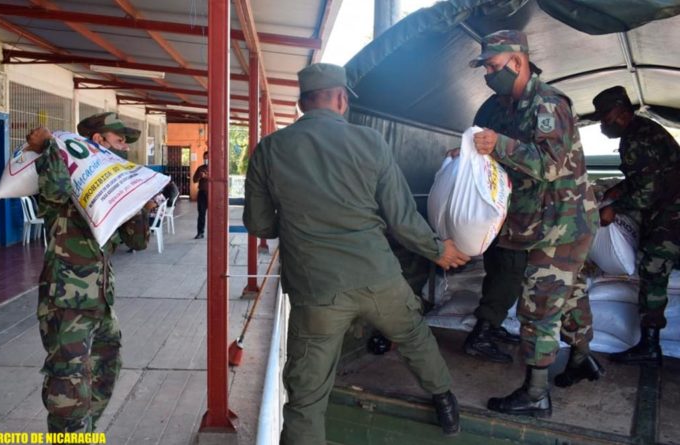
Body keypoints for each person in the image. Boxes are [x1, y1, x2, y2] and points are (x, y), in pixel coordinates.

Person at [244, 63, 470, 444]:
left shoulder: (270, 149)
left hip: (317, 290)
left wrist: (303, 221)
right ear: (341, 98)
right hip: (378, 278)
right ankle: (445, 402)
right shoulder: (370, 142)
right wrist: (438, 251)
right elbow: (400, 217)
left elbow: (260, 225)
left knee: (306, 395)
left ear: (302, 103)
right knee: (414, 336)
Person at [467, 30, 603, 417]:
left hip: (561, 221)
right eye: (485, 69)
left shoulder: (548, 104)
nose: (488, 75)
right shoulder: (500, 106)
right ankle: (581, 360)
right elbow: (493, 154)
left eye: (493, 67)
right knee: (572, 293)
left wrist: (500, 146)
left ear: (517, 61)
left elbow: (550, 164)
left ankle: (536, 393)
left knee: (539, 307)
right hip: (541, 220)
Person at [24, 112, 149, 433]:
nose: (124, 148)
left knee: (107, 367)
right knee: (67, 383)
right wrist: (50, 147)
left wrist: (138, 205)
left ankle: (83, 430)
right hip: (65, 303)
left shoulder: (109, 192)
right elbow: (55, 190)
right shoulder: (59, 178)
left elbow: (137, 242)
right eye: (119, 140)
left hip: (100, 302)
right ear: (98, 141)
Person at [592, 86, 680, 367]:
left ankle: (650, 345)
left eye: (605, 119)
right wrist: (617, 191)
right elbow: (642, 178)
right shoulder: (644, 130)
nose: (603, 125)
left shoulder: (636, 139)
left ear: (620, 113)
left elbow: (647, 191)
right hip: (670, 208)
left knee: (653, 272)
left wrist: (613, 209)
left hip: (670, 214)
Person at [192, 151, 209, 239]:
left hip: (212, 194)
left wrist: (207, 176)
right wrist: (199, 176)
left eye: (208, 158)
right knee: (201, 214)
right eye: (205, 158)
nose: (206, 159)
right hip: (202, 193)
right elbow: (194, 180)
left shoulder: (216, 168)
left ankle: (216, 233)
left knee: (215, 215)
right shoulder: (200, 168)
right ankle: (200, 232)